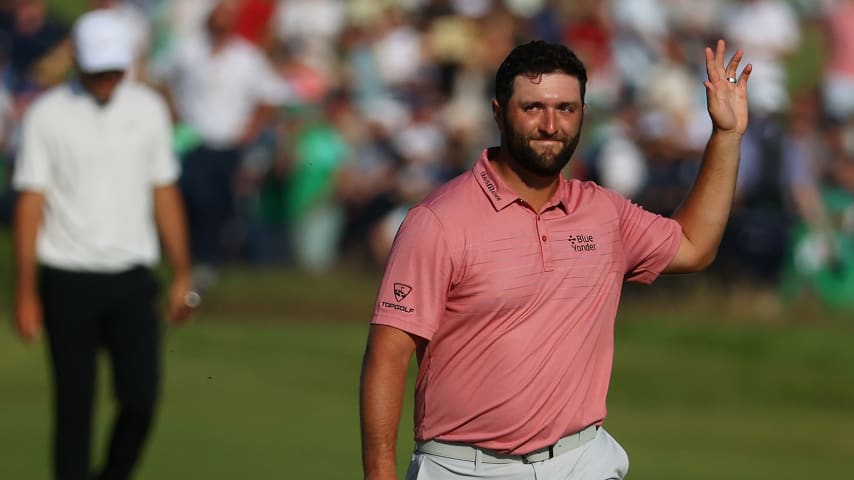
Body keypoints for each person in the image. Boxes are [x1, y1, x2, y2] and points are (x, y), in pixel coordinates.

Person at [359, 39, 751, 480]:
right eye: (533, 108)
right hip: (463, 468)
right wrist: (380, 472)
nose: (550, 125)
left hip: (584, 460)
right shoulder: (438, 221)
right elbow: (388, 355)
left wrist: (726, 135)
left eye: (566, 108)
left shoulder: (603, 212)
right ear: (498, 111)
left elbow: (695, 246)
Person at [11, 9, 195, 480]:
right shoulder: (47, 114)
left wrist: (183, 274)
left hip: (132, 278)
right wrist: (25, 290)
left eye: (114, 69)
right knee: (74, 406)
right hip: (66, 276)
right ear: (77, 61)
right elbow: (30, 202)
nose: (106, 79)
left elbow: (164, 192)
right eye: (97, 69)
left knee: (140, 398)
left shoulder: (148, 109)